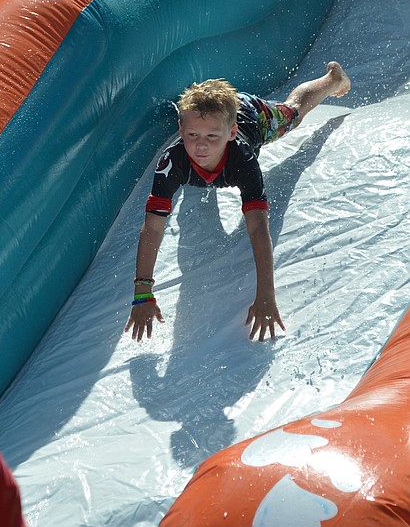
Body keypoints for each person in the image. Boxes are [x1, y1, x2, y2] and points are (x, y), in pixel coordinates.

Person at [125, 62, 351, 342]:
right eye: (193, 135)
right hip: (214, 132)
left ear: (231, 133)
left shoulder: (243, 160)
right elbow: (153, 228)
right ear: (180, 129)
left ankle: (332, 79)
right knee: (195, 192)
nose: (201, 146)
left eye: (211, 137)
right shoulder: (172, 162)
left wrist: (266, 294)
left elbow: (257, 228)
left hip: (252, 115)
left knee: (292, 114)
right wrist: (142, 293)